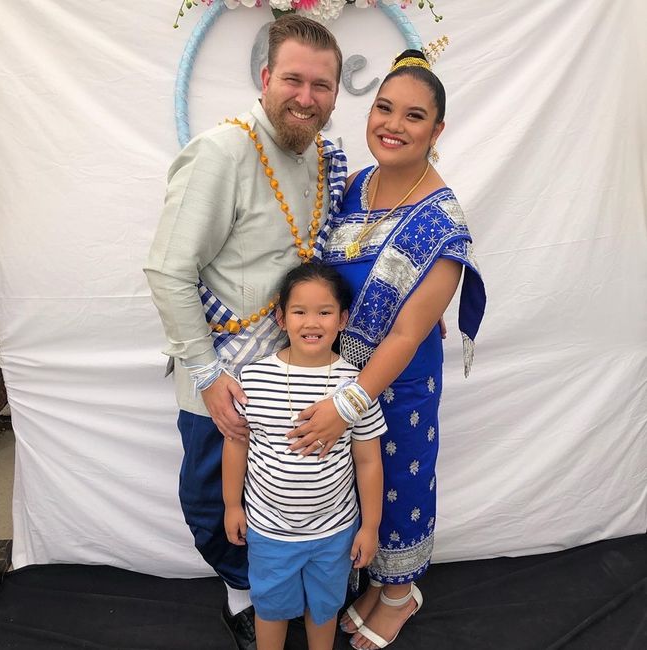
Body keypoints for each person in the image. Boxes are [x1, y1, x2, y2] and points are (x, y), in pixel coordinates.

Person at [144, 16, 346, 650]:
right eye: (292, 79)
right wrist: (206, 376)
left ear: (337, 93)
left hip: (300, 369)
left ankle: (298, 584)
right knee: (212, 498)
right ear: (265, 78)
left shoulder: (320, 156)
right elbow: (168, 270)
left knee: (294, 488)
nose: (306, 97)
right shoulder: (223, 150)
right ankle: (246, 591)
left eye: (322, 85)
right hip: (225, 376)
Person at [282, 49, 487, 649]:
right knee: (359, 488)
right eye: (383, 108)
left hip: (396, 385)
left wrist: (348, 404)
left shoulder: (442, 222)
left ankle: (400, 594)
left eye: (414, 116)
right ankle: (377, 582)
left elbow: (404, 333)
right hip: (341, 370)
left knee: (399, 480)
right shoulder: (359, 184)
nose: (392, 125)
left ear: (437, 131)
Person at [222, 263, 386, 650]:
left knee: (324, 608)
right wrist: (232, 505)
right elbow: (237, 444)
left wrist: (371, 526)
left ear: (343, 319)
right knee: (271, 608)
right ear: (280, 317)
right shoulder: (255, 379)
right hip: (269, 530)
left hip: (334, 532)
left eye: (325, 312)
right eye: (299, 311)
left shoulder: (356, 387)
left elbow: (369, 461)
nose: (312, 322)